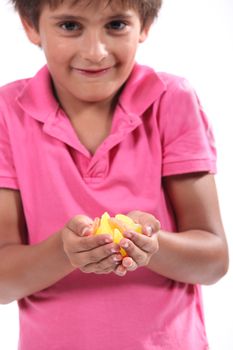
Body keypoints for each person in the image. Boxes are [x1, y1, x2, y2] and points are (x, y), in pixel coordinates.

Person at [0, 0, 229, 349]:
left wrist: (153, 246)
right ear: (32, 28)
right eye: (70, 26)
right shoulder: (7, 113)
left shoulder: (172, 100)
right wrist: (64, 252)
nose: (95, 52)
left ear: (144, 27)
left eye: (117, 25)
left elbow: (213, 261)